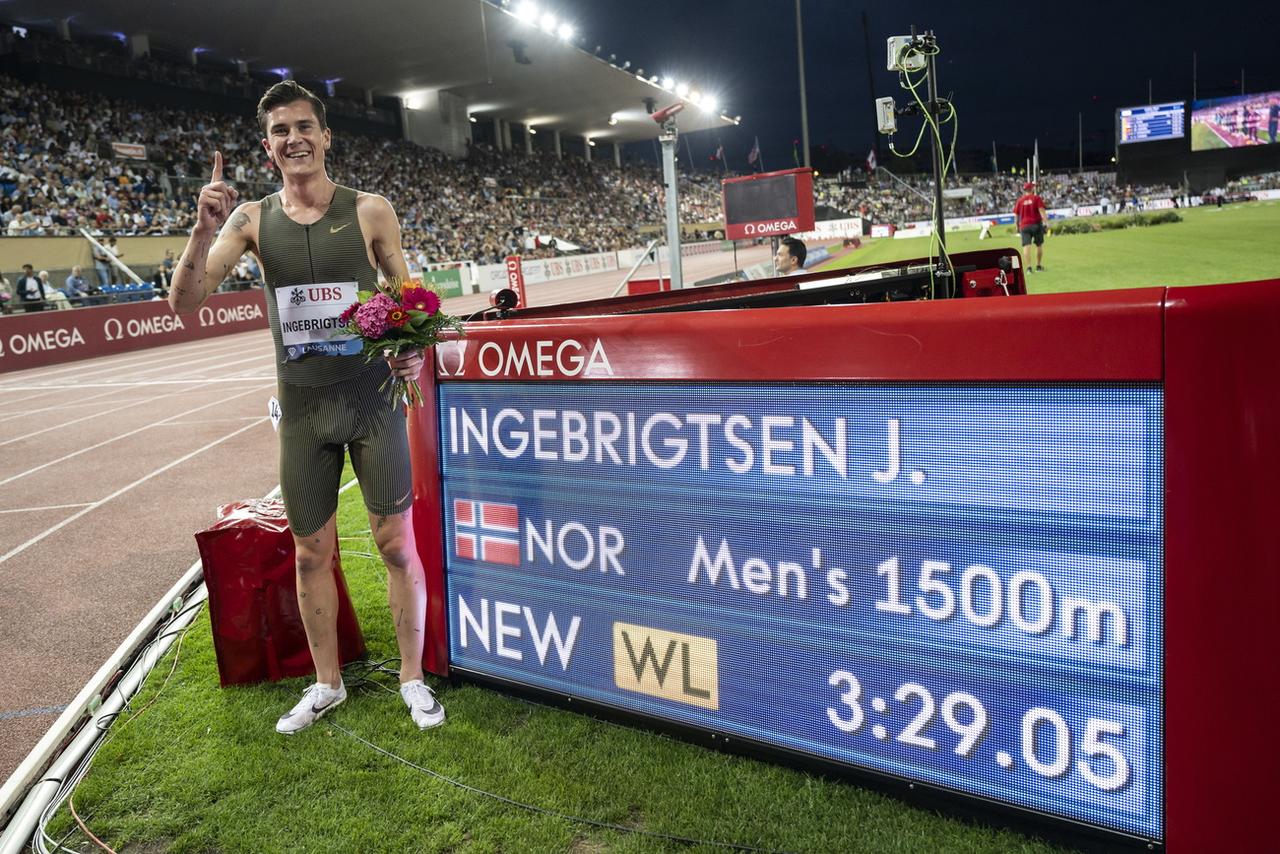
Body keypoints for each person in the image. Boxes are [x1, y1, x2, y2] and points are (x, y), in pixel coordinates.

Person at [168, 80, 444, 735]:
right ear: (268, 149)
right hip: (303, 413)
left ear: (325, 136)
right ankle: (327, 685)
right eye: (279, 132)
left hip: (372, 404)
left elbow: (405, 301)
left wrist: (412, 352)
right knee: (310, 553)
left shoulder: (372, 210)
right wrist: (201, 232)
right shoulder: (250, 221)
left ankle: (412, 679)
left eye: (303, 127)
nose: (293, 138)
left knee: (394, 546)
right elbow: (185, 303)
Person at [1013, 181, 1048, 273]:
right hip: (1036, 224)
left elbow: (1016, 215)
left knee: (1026, 246)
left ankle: (1029, 268)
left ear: (1024, 190)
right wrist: (1046, 222)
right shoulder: (1036, 198)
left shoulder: (1020, 201)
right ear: (1032, 189)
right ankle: (1038, 266)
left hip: (1024, 226)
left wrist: (1016, 226)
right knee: (1039, 245)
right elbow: (1041, 210)